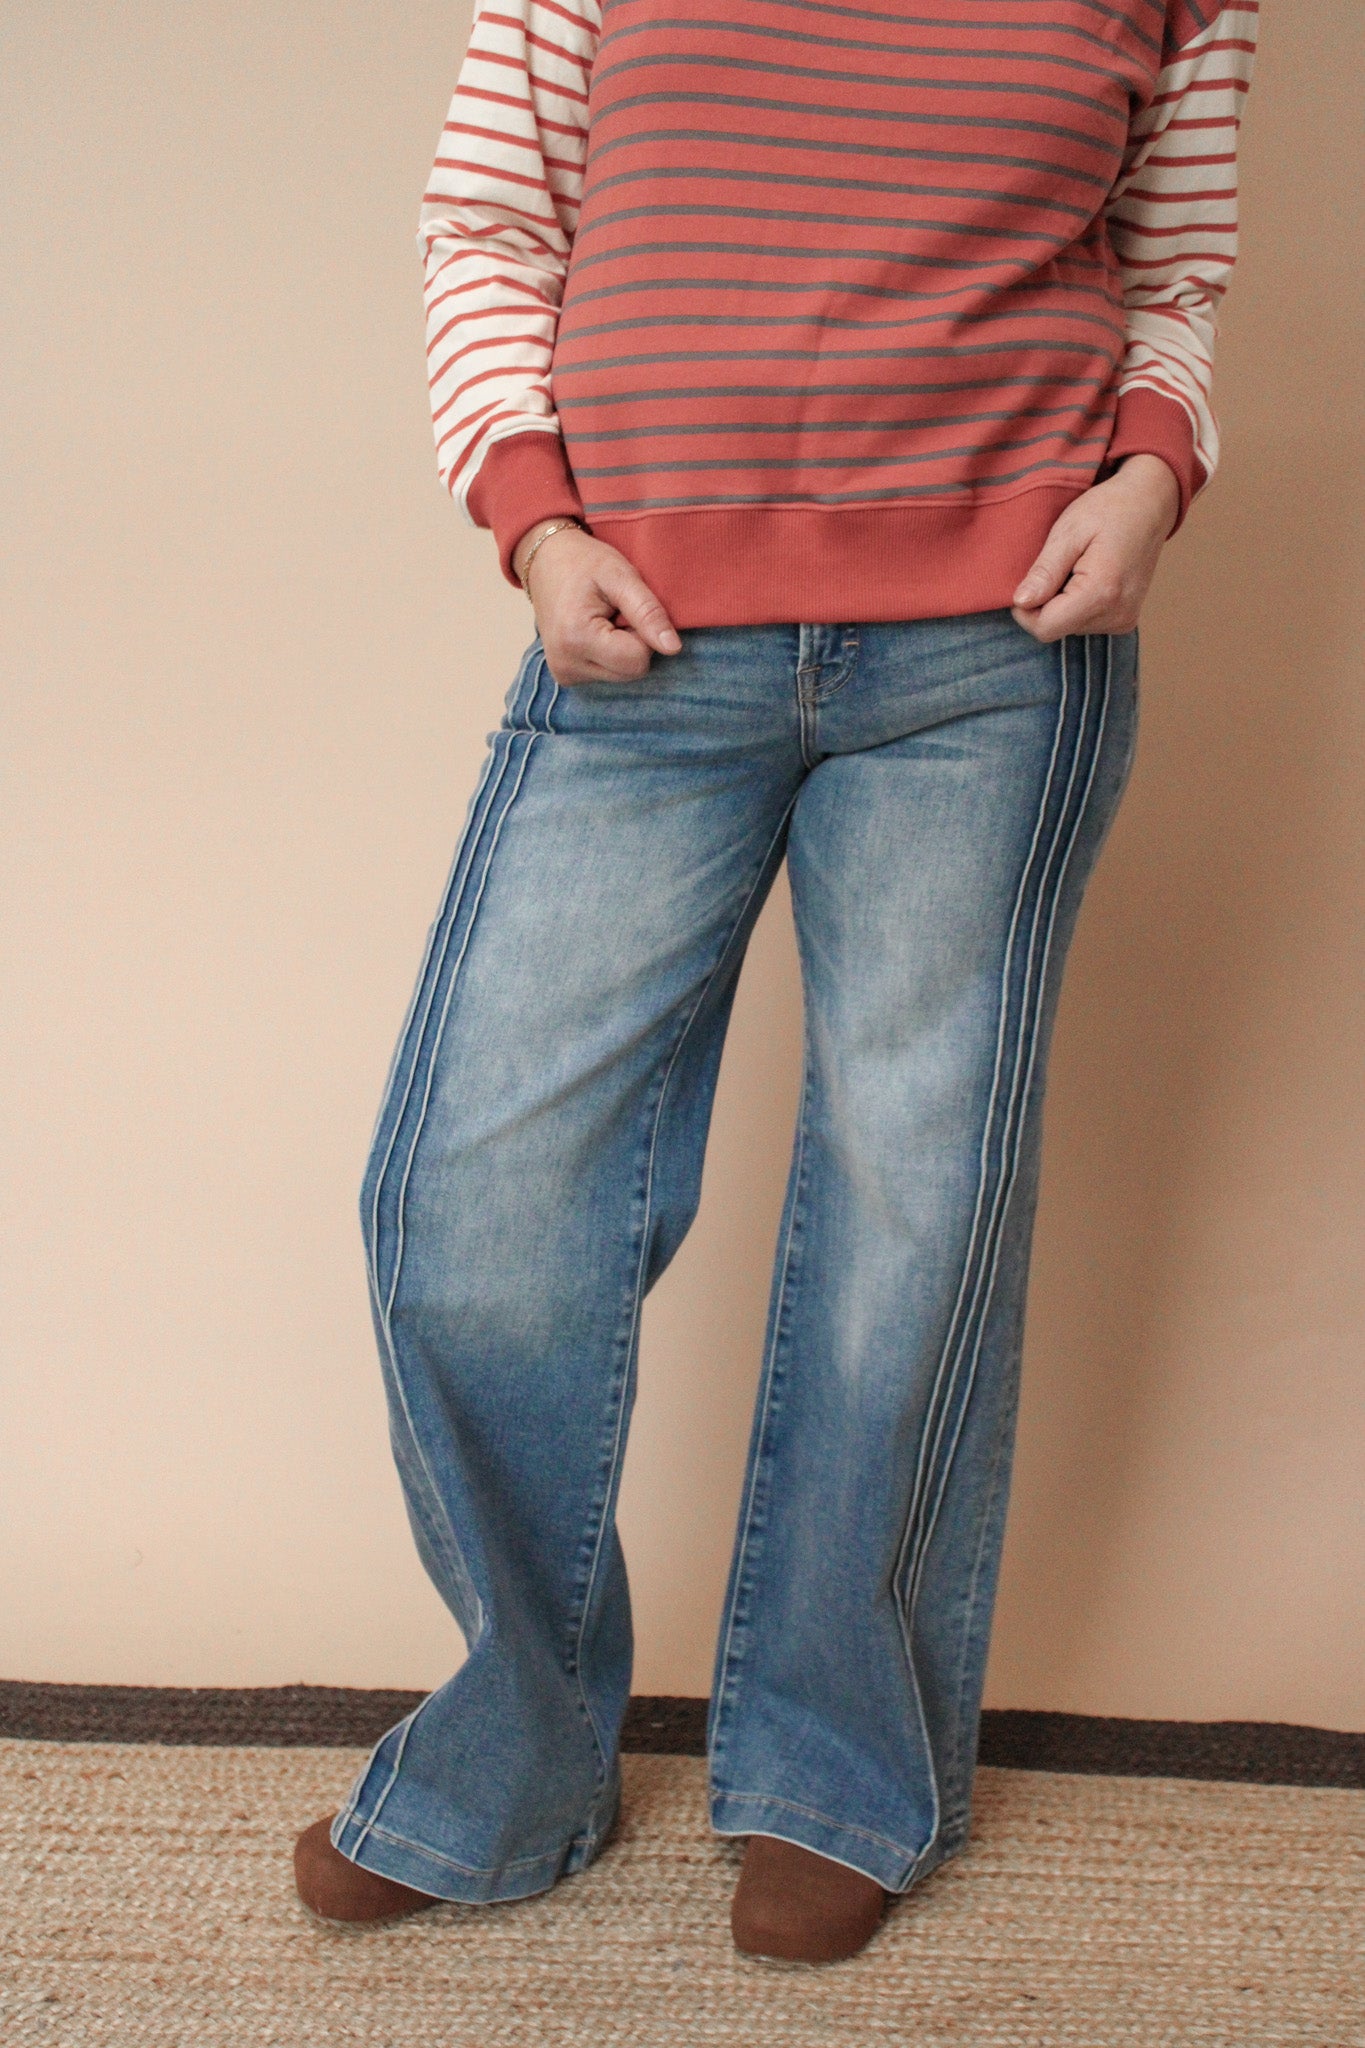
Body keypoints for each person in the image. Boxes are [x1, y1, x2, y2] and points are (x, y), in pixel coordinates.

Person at [294, 0, 1257, 1963]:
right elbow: (490, 219)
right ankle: (514, 1758)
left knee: (912, 1209)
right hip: (641, 632)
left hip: (998, 652)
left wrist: (1150, 476)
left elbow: (1172, 270)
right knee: (467, 1198)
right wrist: (530, 516)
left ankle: (837, 1765)